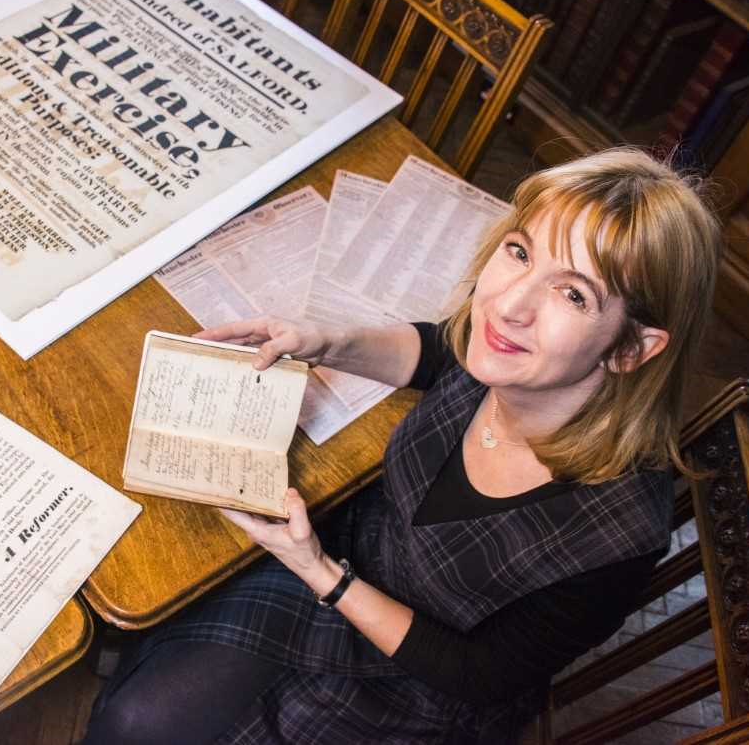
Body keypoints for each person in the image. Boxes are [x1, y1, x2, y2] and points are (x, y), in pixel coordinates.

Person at [83, 148, 724, 744]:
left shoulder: (615, 540)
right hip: (349, 559)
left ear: (631, 349)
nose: (508, 306)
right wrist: (324, 341)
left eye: (574, 294)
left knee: (143, 717)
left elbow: (480, 677)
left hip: (417, 678)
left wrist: (320, 574)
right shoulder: (497, 354)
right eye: (521, 253)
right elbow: (436, 349)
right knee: (136, 710)